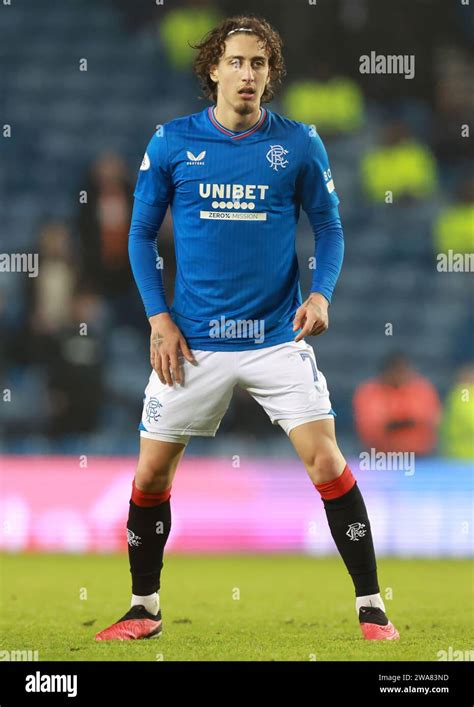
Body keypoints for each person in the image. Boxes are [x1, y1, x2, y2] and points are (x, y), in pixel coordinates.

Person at [95, 15, 399, 642]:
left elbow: (331, 228)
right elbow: (139, 233)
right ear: (213, 69)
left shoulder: (300, 143)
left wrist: (321, 293)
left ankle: (373, 608)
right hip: (194, 343)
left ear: (270, 74)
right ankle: (143, 608)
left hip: (275, 340)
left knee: (327, 461)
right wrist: (159, 319)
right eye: (236, 61)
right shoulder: (173, 143)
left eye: (259, 64)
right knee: (151, 476)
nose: (248, 74)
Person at [353, 353, 442, 456]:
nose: (399, 375)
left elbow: (429, 419)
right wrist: (404, 422)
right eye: (395, 371)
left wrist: (397, 423)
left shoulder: (422, 389)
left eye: (402, 371)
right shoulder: (369, 392)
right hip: (380, 459)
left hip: (420, 458)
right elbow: (371, 427)